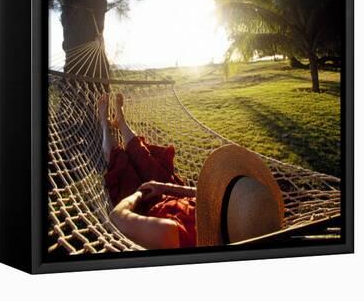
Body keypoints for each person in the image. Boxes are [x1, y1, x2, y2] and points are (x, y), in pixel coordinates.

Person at [98, 93, 285, 250]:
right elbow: (203, 193)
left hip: (142, 204)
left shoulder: (174, 234)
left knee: (121, 163)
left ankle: (105, 126)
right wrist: (164, 187)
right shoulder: (220, 209)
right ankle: (121, 123)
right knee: (144, 156)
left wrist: (139, 193)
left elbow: (117, 216)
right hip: (169, 193)